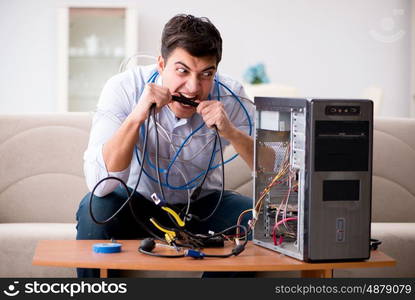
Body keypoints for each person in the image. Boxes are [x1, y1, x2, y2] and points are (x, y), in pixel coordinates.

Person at [76, 14, 254, 278]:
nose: (193, 88)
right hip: (137, 206)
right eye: (182, 71)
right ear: (161, 64)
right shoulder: (124, 88)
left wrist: (231, 132)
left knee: (253, 218)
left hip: (202, 207)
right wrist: (137, 116)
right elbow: (101, 182)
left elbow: (275, 171)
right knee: (96, 207)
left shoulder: (231, 96)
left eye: (206, 74)